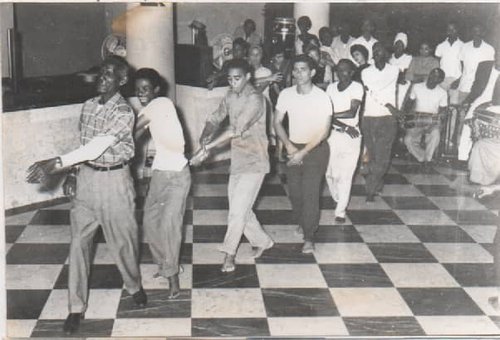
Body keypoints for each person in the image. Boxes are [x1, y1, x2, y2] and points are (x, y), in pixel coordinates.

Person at [25, 56, 147, 334]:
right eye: (100, 74)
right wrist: (72, 173)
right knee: (78, 244)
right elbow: (84, 148)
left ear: (122, 81)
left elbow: (98, 147)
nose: (101, 79)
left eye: (108, 75)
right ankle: (75, 308)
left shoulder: (124, 112)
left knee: (124, 243)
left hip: (116, 181)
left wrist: (56, 164)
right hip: (88, 180)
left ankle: (134, 285)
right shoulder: (88, 107)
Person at [191, 58, 274, 272]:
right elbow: (216, 117)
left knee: (237, 212)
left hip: (256, 161)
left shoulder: (256, 99)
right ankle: (264, 242)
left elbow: (236, 129)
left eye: (237, 78)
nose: (233, 82)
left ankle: (229, 255)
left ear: (248, 77)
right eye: (229, 79)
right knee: (241, 209)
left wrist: (209, 149)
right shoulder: (230, 95)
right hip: (238, 160)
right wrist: (204, 137)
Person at [133, 68, 191, 299]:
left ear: (156, 89)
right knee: (149, 222)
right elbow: (139, 134)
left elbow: (133, 131)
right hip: (159, 174)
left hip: (178, 176)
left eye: (145, 89)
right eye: (138, 90)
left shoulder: (162, 104)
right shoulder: (152, 110)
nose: (141, 93)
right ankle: (165, 264)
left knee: (169, 226)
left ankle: (173, 278)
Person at [274, 54, 333, 253]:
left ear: (313, 72)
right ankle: (302, 220)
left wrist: (303, 152)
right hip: (294, 148)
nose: (298, 73)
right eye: (296, 69)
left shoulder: (322, 97)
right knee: (295, 194)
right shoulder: (286, 94)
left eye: (303, 69)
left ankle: (309, 236)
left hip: (316, 150)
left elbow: (324, 131)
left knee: (310, 194)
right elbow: (277, 122)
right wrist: (289, 146)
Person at [325, 59, 364, 223]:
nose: (342, 74)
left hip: (352, 136)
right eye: (339, 71)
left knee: (346, 175)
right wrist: (343, 126)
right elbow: (326, 113)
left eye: (346, 70)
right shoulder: (331, 88)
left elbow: (351, 112)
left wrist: (330, 115)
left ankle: (340, 210)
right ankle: (338, 198)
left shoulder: (357, 87)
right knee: (330, 174)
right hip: (333, 134)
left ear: (352, 72)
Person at [361, 42, 400, 201]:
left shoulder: (394, 70)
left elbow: (382, 86)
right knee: (373, 154)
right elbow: (373, 89)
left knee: (383, 155)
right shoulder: (365, 72)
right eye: (375, 51)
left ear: (388, 54)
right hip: (369, 117)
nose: (378, 54)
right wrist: (390, 105)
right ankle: (377, 182)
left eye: (382, 51)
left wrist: (391, 109)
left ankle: (370, 189)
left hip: (387, 118)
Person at [458, 47, 500, 161]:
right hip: (481, 99)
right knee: (468, 123)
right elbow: (475, 86)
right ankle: (462, 158)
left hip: (497, 103)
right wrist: (468, 100)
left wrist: (489, 104)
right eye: (498, 54)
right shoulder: (484, 66)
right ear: (495, 55)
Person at [403, 68, 448, 165]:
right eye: (432, 74)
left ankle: (428, 159)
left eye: (436, 77)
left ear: (440, 80)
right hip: (417, 119)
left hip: (432, 120)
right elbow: (409, 104)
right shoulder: (417, 87)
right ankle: (421, 157)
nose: (432, 78)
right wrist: (406, 118)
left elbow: (443, 111)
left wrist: (439, 121)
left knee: (435, 135)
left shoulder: (443, 93)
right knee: (408, 139)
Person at [455, 23, 495, 104]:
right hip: (464, 86)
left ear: (483, 33)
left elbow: (489, 71)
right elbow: (462, 67)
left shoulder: (489, 49)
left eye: (478, 31)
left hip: (480, 90)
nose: (476, 34)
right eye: (474, 31)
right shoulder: (464, 47)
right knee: (460, 111)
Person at [435, 21, 464, 104]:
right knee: (441, 104)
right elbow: (436, 64)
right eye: (449, 29)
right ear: (446, 31)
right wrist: (438, 79)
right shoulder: (440, 46)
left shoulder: (463, 45)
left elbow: (464, 66)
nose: (451, 31)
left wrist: (459, 80)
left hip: (456, 79)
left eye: (453, 29)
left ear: (457, 30)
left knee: (453, 105)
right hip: (442, 80)